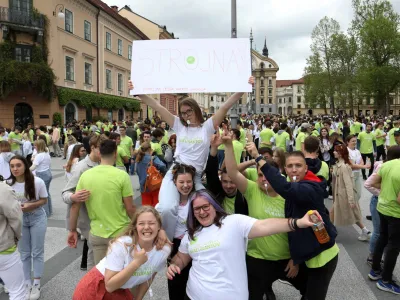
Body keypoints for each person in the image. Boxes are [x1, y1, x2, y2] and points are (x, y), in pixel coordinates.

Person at [128, 76, 254, 240]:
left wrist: (243, 89)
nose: (187, 115)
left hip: (194, 176)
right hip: (176, 172)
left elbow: (225, 106)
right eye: (183, 113)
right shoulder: (178, 125)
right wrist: (139, 93)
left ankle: (210, 240)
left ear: (196, 109)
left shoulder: (207, 126)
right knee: (166, 208)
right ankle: (167, 241)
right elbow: (157, 106)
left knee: (209, 205)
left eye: (189, 111)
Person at [166, 189, 320, 300]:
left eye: (206, 206)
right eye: (196, 209)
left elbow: (264, 226)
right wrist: (175, 265)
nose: (201, 212)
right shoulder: (191, 234)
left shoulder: (233, 222)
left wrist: (298, 222)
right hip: (193, 295)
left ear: (214, 206)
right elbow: (181, 257)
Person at [248, 146, 339, 300]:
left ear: (306, 168)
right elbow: (293, 228)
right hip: (308, 255)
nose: (294, 170)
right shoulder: (296, 187)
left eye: (298, 165)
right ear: (285, 170)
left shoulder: (310, 188)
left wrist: (258, 157)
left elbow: (285, 188)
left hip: (323, 256)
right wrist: (295, 258)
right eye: (290, 166)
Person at [224, 135, 307, 300]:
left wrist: (296, 259)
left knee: (311, 291)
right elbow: (232, 171)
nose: (264, 179)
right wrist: (228, 145)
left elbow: (301, 229)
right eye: (260, 175)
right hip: (258, 259)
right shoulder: (252, 189)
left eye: (268, 175)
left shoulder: (289, 193)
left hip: (286, 259)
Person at [73, 206, 171, 300]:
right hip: (96, 288)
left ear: (159, 227)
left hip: (119, 290)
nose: (146, 227)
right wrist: (136, 263)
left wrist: (138, 298)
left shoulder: (163, 250)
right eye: (141, 223)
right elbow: (110, 286)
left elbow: (150, 274)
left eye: (151, 223)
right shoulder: (122, 245)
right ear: (135, 227)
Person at [68, 140, 137, 264]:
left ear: (99, 153)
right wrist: (138, 225)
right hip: (120, 232)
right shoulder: (122, 175)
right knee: (121, 274)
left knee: (100, 275)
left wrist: (72, 230)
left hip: (97, 233)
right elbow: (130, 207)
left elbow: (75, 206)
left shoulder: (86, 175)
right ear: (115, 154)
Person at [62, 134, 107, 271]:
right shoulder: (81, 167)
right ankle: (91, 286)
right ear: (92, 148)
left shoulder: (106, 163)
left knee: (101, 254)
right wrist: (74, 197)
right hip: (87, 218)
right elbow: (65, 193)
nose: (104, 153)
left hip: (103, 216)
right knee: (95, 253)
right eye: (100, 149)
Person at [8, 155, 48, 300]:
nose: (15, 169)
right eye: (12, 166)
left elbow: (44, 200)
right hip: (19, 220)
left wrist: (31, 205)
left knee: (37, 251)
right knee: (24, 253)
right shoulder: (8, 184)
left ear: (25, 165)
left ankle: (36, 283)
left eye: (18, 165)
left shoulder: (37, 181)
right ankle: (26, 282)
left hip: (37, 217)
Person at [368, 149, 400, 295]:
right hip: (396, 213)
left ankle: (375, 270)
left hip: (382, 207)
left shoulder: (387, 164)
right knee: (394, 246)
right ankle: (386, 281)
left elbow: (373, 182)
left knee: (383, 237)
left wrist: (388, 188)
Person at [167, 164, 196, 300]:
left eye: (189, 181)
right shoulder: (168, 203)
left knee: (194, 282)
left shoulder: (197, 200)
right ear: (174, 182)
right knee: (176, 283)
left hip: (195, 244)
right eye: (181, 182)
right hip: (175, 245)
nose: (185, 185)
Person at [331, 144, 371, 240]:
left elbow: (348, 184)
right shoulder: (339, 164)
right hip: (340, 194)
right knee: (353, 214)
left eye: (335, 150)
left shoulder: (344, 167)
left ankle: (329, 233)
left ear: (340, 153)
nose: (333, 152)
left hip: (343, 195)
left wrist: (351, 200)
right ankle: (366, 231)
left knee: (332, 213)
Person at [205, 132, 248, 215]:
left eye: (232, 182)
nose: (228, 186)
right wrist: (214, 147)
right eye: (225, 181)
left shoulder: (245, 197)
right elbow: (211, 172)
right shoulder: (218, 192)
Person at [0, 180, 25, 300]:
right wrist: (16, 237)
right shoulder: (3, 189)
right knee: (17, 291)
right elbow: (16, 218)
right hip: (3, 248)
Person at [136, 142, 167, 207]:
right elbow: (163, 167)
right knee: (156, 207)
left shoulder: (138, 159)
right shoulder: (153, 158)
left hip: (144, 187)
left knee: (146, 208)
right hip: (154, 185)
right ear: (150, 149)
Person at [30, 140, 53, 217]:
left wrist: (25, 170)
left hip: (42, 174)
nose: (34, 147)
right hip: (48, 173)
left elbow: (33, 167)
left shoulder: (39, 156)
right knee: (47, 193)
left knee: (43, 195)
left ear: (39, 146)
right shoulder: (46, 154)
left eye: (35, 146)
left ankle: (46, 212)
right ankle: (49, 210)